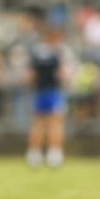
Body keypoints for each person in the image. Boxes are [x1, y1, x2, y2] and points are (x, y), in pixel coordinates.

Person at [25, 22, 74, 169]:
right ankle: (54, 154)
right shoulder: (58, 53)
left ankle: (34, 154)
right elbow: (63, 75)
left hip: (40, 91)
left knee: (38, 123)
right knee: (55, 123)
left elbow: (30, 76)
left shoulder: (36, 52)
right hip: (53, 91)